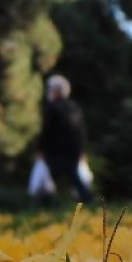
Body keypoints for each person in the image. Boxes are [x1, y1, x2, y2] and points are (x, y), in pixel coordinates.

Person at [36, 74, 92, 204]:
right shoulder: (74, 107)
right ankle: (87, 200)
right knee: (73, 177)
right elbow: (81, 132)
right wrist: (81, 151)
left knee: (48, 178)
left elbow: (47, 131)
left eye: (50, 89)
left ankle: (43, 204)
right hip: (72, 151)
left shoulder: (52, 108)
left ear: (55, 91)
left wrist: (40, 149)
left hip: (55, 152)